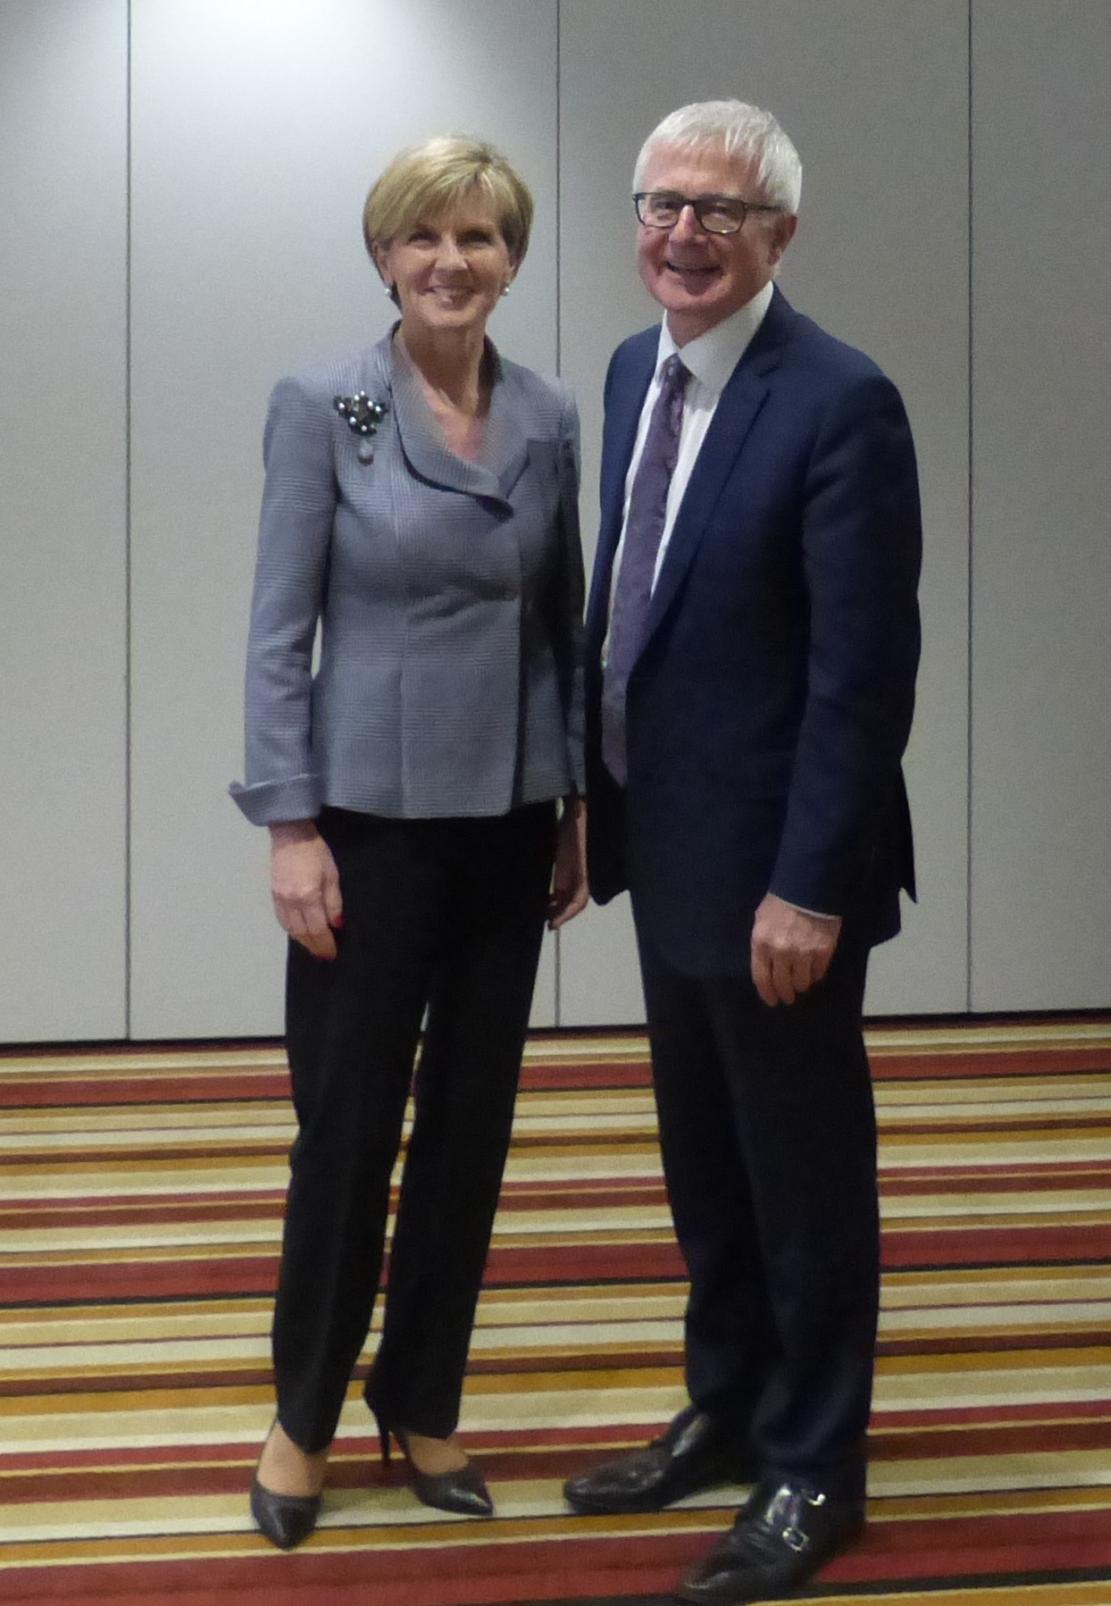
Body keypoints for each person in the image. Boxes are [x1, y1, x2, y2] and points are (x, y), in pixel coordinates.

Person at [562, 101, 921, 1604]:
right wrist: (589, 798)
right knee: (704, 1160)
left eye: (719, 211)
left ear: (780, 231)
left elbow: (862, 673)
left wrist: (811, 881)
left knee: (803, 1170)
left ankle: (816, 1460)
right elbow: (621, 609)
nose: (684, 234)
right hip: (666, 850)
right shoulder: (636, 365)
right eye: (662, 205)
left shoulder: (841, 401)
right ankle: (726, 1401)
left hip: (779, 879)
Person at [229, 134, 587, 1551]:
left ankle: (423, 1390)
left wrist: (571, 806)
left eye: (484, 238)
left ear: (512, 258)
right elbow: (277, 628)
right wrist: (290, 825)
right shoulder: (325, 402)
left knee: (472, 1131)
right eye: (426, 237)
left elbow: (561, 626)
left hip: (506, 820)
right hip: (367, 831)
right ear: (384, 253)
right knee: (349, 1127)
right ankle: (304, 1411)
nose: (455, 262)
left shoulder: (551, 414)